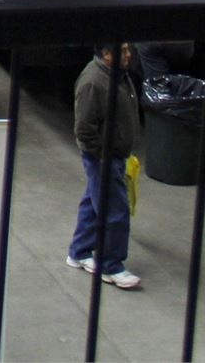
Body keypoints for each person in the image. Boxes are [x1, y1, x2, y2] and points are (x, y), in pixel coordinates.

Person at [67, 43, 142, 290]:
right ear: (106, 54)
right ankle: (111, 266)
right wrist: (103, 157)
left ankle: (79, 251)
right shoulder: (93, 83)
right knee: (115, 212)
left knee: (92, 202)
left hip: (115, 155)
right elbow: (84, 129)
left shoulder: (118, 75)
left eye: (129, 49)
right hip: (103, 158)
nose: (129, 54)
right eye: (122, 50)